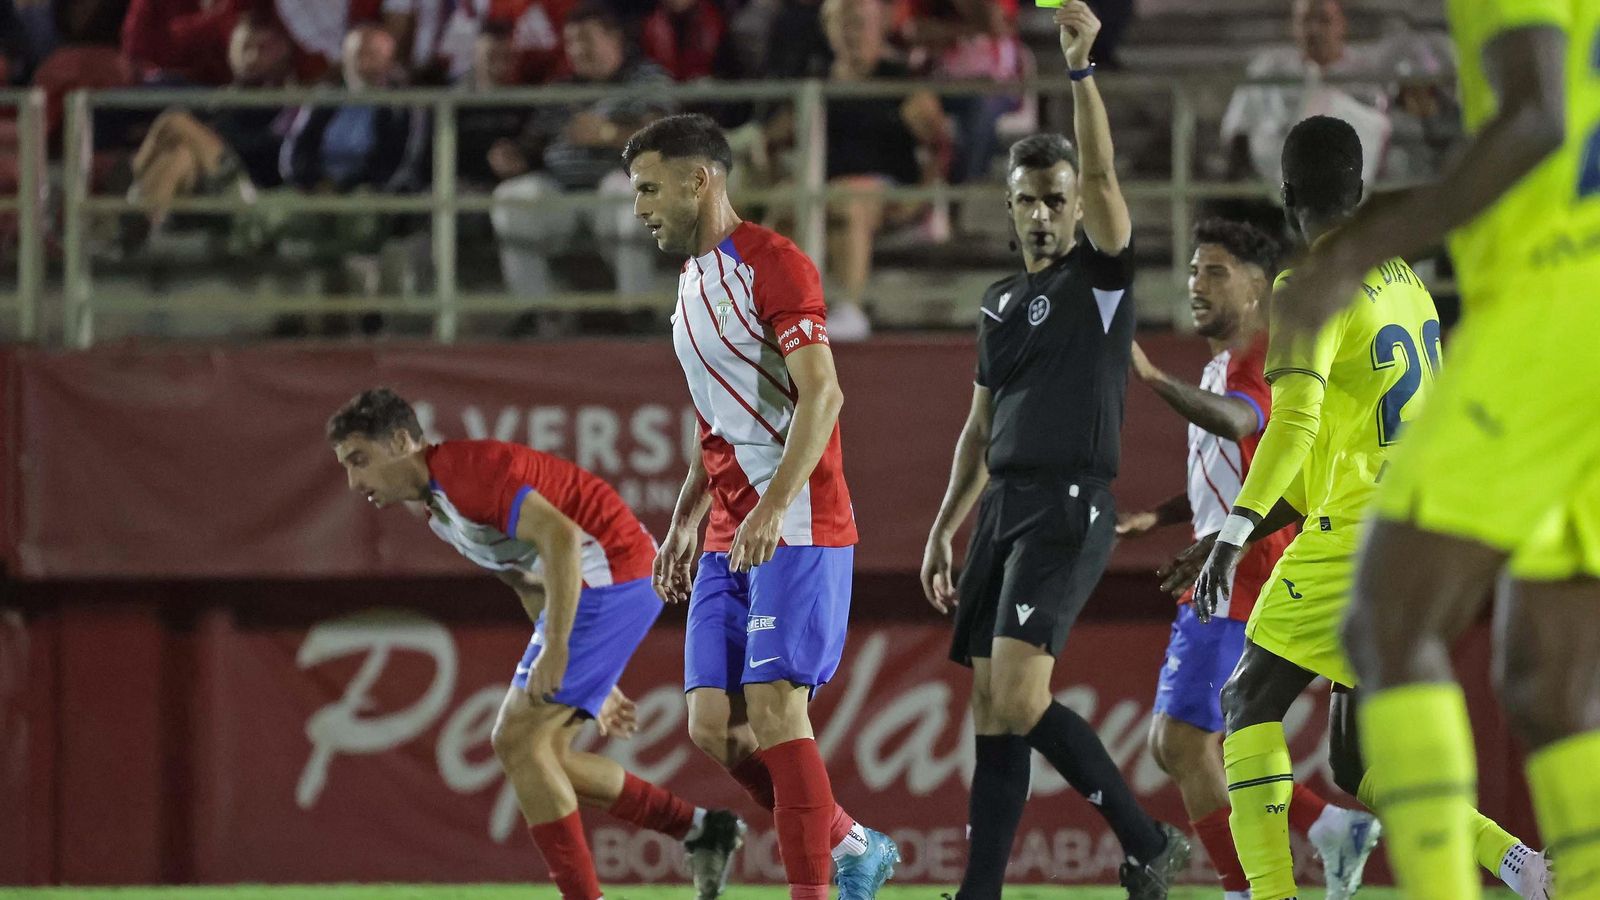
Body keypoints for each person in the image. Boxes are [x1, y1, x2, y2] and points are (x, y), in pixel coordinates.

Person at [1267, 0, 1600, 895]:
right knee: (1548, 686)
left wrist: (1354, 252)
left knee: (1388, 623)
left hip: (1547, 312)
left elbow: (1536, 116)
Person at [1190, 115, 1550, 900]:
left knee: (1246, 700)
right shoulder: (1407, 284)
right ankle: (1522, 869)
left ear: (1285, 192)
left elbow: (1294, 426)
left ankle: (1271, 895)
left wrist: (1234, 530)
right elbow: (1336, 452)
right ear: (1360, 190)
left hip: (1354, 538)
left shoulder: (1310, 284)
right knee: (1357, 762)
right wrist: (1247, 525)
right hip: (1411, 534)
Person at [918, 5, 1191, 898]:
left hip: (1069, 505)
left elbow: (1105, 170)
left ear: (1078, 208)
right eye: (1028, 199)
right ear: (1008, 206)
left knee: (1020, 699)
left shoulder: (1102, 280)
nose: (1042, 213)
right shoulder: (997, 303)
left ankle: (1146, 839)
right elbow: (976, 428)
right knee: (991, 711)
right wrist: (944, 527)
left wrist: (1079, 70)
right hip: (1002, 507)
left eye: (1057, 199)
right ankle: (980, 893)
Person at [624, 113, 899, 900]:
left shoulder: (774, 263)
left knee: (778, 713)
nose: (639, 208)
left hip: (797, 522)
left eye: (649, 189)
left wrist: (774, 506)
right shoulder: (689, 285)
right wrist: (685, 519)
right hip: (725, 530)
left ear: (699, 179)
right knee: (713, 726)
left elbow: (824, 394)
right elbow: (716, 420)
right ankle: (853, 846)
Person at [326, 387, 746, 900]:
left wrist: (560, 648)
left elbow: (560, 539)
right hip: (604, 580)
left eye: (359, 460)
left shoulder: (465, 475)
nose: (354, 481)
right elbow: (525, 581)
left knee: (516, 741)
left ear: (399, 442)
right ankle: (704, 830)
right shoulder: (438, 508)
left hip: (613, 571)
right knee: (545, 757)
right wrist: (584, 668)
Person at [1119, 218, 1379, 900]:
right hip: (1224, 569)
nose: (1196, 284)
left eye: (1216, 272)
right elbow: (1234, 463)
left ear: (1259, 288)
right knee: (1188, 743)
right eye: (1193, 270)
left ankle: (1249, 885)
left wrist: (1149, 374)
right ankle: (1326, 828)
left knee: (1182, 743)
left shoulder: (1264, 359)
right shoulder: (1221, 366)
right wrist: (1165, 516)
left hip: (1248, 572)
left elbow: (1243, 423)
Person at [489, 0, 673, 303]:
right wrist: (514, 157)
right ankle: (536, 310)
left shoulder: (646, 77)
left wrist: (607, 133)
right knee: (511, 198)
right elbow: (534, 142)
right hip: (561, 193)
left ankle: (636, 307)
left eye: (585, 39)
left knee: (630, 190)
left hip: (615, 189)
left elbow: (662, 135)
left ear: (614, 38)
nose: (576, 50)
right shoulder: (560, 89)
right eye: (570, 42)